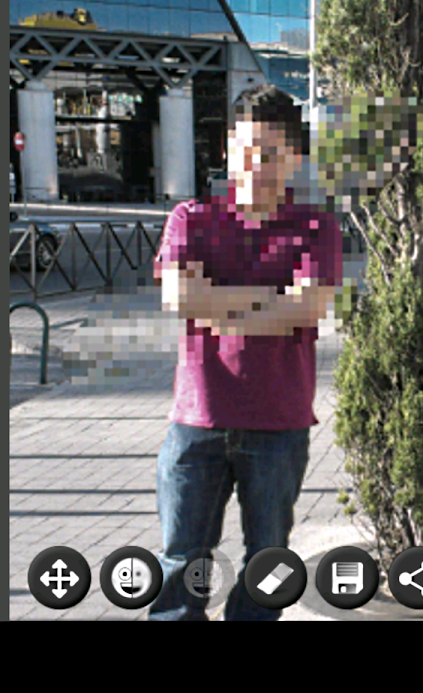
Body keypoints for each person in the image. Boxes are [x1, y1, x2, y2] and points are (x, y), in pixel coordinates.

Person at [149, 84, 343, 621]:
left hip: (278, 423)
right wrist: (271, 302)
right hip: (198, 420)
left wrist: (218, 303)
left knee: (266, 561)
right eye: (247, 149)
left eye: (273, 152)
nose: (258, 165)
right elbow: (180, 297)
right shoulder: (191, 218)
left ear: (296, 157)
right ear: (227, 149)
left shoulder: (316, 228)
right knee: (181, 560)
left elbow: (307, 308)